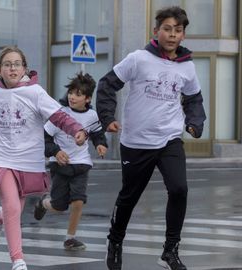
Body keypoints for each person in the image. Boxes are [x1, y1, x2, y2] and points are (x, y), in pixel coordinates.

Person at [96, 6, 206, 270]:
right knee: (129, 197)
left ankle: (170, 251)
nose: (172, 35)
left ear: (183, 35)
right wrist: (107, 117)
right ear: (156, 32)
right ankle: (116, 241)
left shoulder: (187, 67)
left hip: (169, 139)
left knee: (179, 189)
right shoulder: (138, 59)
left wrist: (194, 122)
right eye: (167, 29)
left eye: (177, 30)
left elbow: (194, 99)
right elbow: (107, 84)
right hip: (136, 141)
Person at [0, 46, 88, 270]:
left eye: (16, 63)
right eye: (7, 64)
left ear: (24, 67)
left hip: (27, 159)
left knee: (12, 210)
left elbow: (58, 116)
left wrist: (77, 131)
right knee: (12, 206)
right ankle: (18, 260)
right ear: (0, 69)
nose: (12, 68)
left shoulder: (35, 93)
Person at [33, 72, 107, 251]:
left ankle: (70, 238)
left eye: (78, 94)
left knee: (78, 201)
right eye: (71, 93)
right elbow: (44, 138)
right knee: (58, 206)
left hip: (81, 164)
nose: (72, 97)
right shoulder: (60, 115)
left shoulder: (92, 116)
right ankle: (43, 203)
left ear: (88, 99)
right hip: (60, 166)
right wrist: (56, 152)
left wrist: (100, 145)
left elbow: (98, 135)